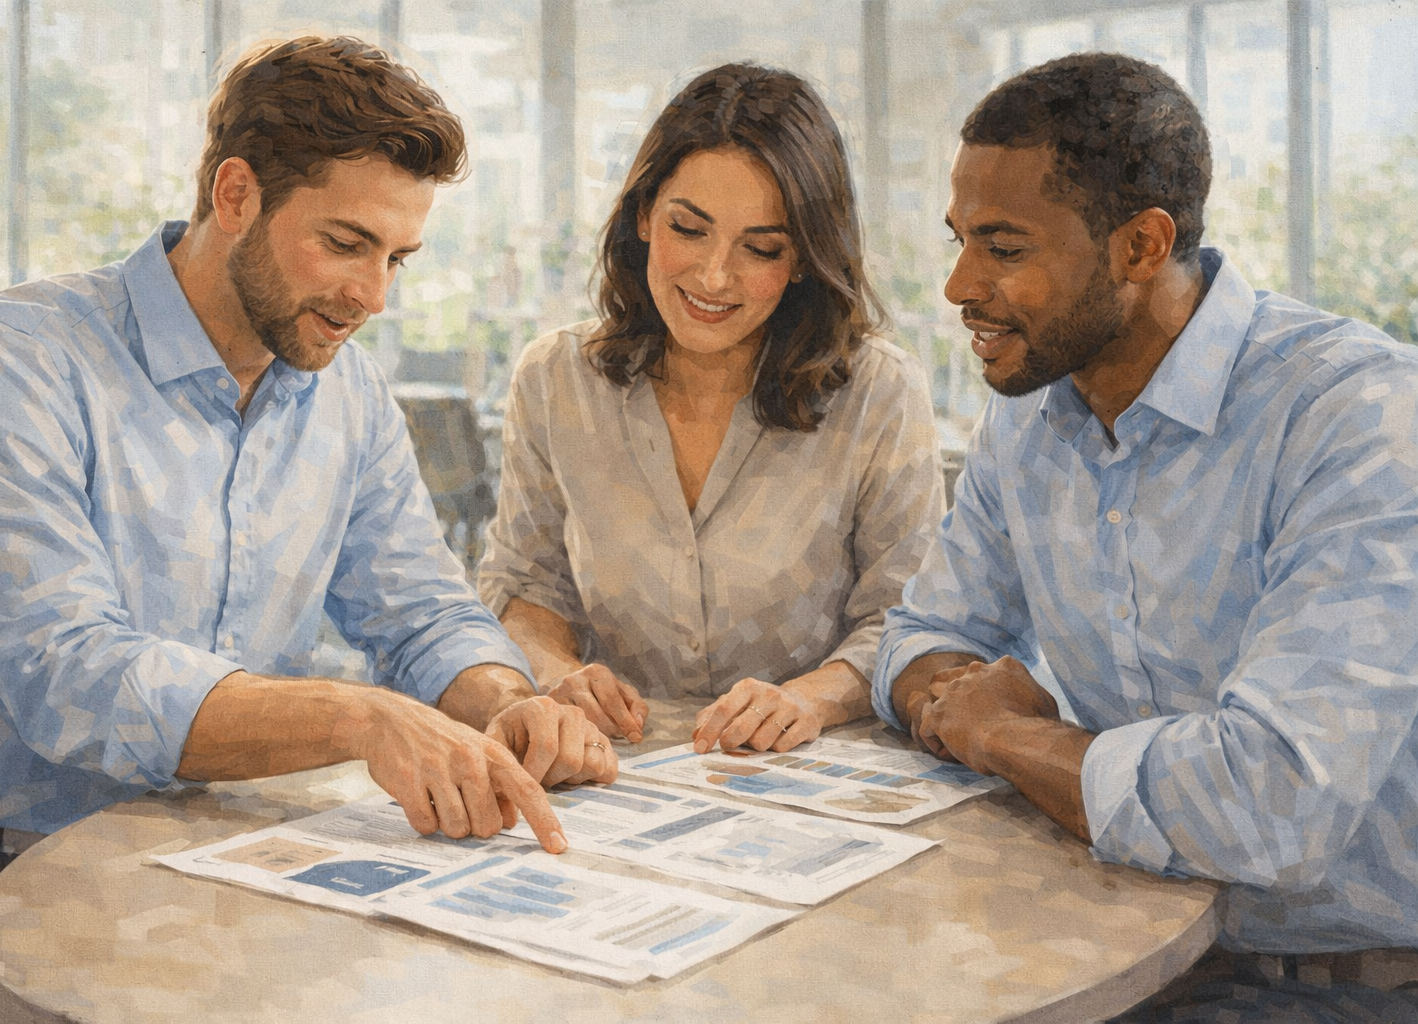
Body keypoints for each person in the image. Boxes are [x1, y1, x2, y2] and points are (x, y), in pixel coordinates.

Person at [0, 36, 619, 877]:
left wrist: (508, 704)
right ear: (235, 195)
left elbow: (421, 614)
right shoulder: (4, 365)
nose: (373, 298)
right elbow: (72, 679)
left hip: (228, 859)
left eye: (395, 260)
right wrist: (360, 719)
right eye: (345, 244)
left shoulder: (350, 395)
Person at [873, 53, 1418, 1020]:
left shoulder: (1356, 415)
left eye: (1003, 247)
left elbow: (1275, 801)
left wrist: (1002, 735)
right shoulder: (1028, 417)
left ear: (1139, 246)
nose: (958, 283)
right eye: (959, 240)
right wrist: (952, 694)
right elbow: (919, 638)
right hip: (1123, 945)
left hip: (1349, 980)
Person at [479, 64, 944, 756]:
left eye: (761, 248)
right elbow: (526, 582)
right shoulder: (555, 379)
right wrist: (558, 674)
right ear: (643, 217)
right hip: (616, 765)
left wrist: (809, 699)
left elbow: (907, 616)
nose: (715, 276)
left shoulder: (880, 392)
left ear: (804, 259)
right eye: (689, 230)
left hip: (817, 772)